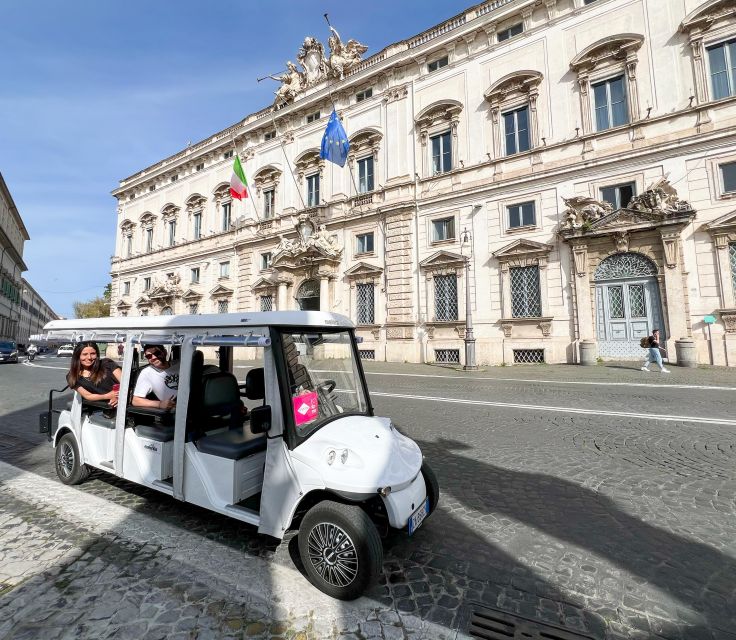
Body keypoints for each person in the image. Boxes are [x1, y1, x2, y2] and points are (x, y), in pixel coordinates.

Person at [66, 341, 122, 406]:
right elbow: (88, 395)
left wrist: (118, 397)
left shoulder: (107, 364)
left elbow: (126, 384)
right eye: (85, 354)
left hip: (124, 399)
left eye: (93, 353)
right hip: (103, 406)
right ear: (77, 356)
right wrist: (108, 396)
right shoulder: (72, 376)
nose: (89, 357)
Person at [132, 344, 179, 410]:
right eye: (149, 356)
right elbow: (135, 401)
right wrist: (159, 404)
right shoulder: (147, 373)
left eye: (157, 353)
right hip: (173, 410)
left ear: (165, 352)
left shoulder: (178, 364)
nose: (153, 357)